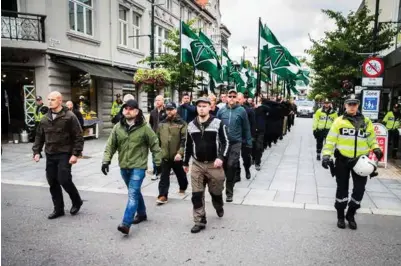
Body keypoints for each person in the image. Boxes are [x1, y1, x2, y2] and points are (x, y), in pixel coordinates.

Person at [322, 94, 382, 230]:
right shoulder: (338, 121)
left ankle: (351, 214)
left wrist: (376, 148)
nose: (352, 106)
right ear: (345, 105)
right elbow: (331, 140)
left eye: (354, 104)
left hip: (360, 161)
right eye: (349, 104)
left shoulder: (366, 122)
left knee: (359, 190)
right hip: (342, 160)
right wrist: (326, 155)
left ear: (358, 105)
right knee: (342, 189)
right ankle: (340, 216)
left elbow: (372, 139)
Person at [101, 99, 162, 235]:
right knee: (134, 191)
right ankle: (142, 213)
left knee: (132, 194)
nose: (127, 111)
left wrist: (158, 163)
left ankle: (126, 223)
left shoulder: (145, 128)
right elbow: (111, 145)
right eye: (125, 108)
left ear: (137, 111)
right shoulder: (118, 127)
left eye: (131, 108)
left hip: (138, 166)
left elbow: (155, 146)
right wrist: (106, 161)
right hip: (124, 165)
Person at [32, 91, 84, 219]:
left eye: (53, 99)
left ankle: (77, 201)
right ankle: (58, 209)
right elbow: (39, 136)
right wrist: (36, 152)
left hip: (64, 153)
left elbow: (78, 136)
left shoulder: (69, 116)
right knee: (52, 181)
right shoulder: (45, 118)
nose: (50, 101)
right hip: (50, 154)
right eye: (48, 99)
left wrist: (75, 154)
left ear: (60, 101)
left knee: (64, 179)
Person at [183, 97, 229, 233]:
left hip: (214, 164)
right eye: (199, 106)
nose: (201, 108)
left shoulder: (218, 123)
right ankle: (200, 220)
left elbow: (226, 142)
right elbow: (188, 145)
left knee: (216, 191)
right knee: (196, 194)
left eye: (204, 106)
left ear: (210, 107)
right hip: (197, 164)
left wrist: (221, 157)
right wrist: (186, 162)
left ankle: (218, 204)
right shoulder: (191, 125)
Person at [217, 89, 252, 202]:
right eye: (230, 96)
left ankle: (229, 192)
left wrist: (249, 141)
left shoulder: (241, 111)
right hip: (223, 143)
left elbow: (246, 127)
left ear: (237, 98)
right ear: (226, 98)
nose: (231, 98)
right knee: (223, 166)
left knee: (232, 165)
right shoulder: (221, 111)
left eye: (234, 96)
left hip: (236, 143)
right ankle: (222, 184)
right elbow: (215, 125)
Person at [156, 102, 188, 204]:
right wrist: (158, 151)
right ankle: (163, 195)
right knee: (164, 176)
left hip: (176, 156)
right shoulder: (161, 124)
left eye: (171, 109)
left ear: (175, 110)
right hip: (165, 155)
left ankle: (183, 186)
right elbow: (157, 139)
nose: (169, 111)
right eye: (167, 109)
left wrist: (180, 153)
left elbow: (184, 139)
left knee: (180, 174)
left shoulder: (181, 123)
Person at [236, 92, 256, 180]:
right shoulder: (231, 110)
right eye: (237, 99)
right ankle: (237, 174)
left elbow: (253, 125)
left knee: (246, 157)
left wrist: (251, 137)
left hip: (245, 137)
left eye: (239, 99)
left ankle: (247, 169)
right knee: (234, 157)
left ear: (243, 100)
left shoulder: (249, 110)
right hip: (235, 137)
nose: (237, 100)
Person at [149, 95, 167, 180]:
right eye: (156, 100)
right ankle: (156, 172)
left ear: (163, 101)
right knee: (154, 154)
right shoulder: (153, 112)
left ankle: (162, 171)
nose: (157, 102)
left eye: (159, 100)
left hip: (164, 137)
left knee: (163, 155)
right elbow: (151, 123)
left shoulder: (167, 111)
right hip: (155, 137)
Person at [253, 97, 270, 170]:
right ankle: (253, 158)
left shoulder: (263, 108)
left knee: (259, 146)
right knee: (252, 146)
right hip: (252, 130)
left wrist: (260, 106)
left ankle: (257, 162)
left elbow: (269, 109)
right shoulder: (251, 108)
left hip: (261, 130)